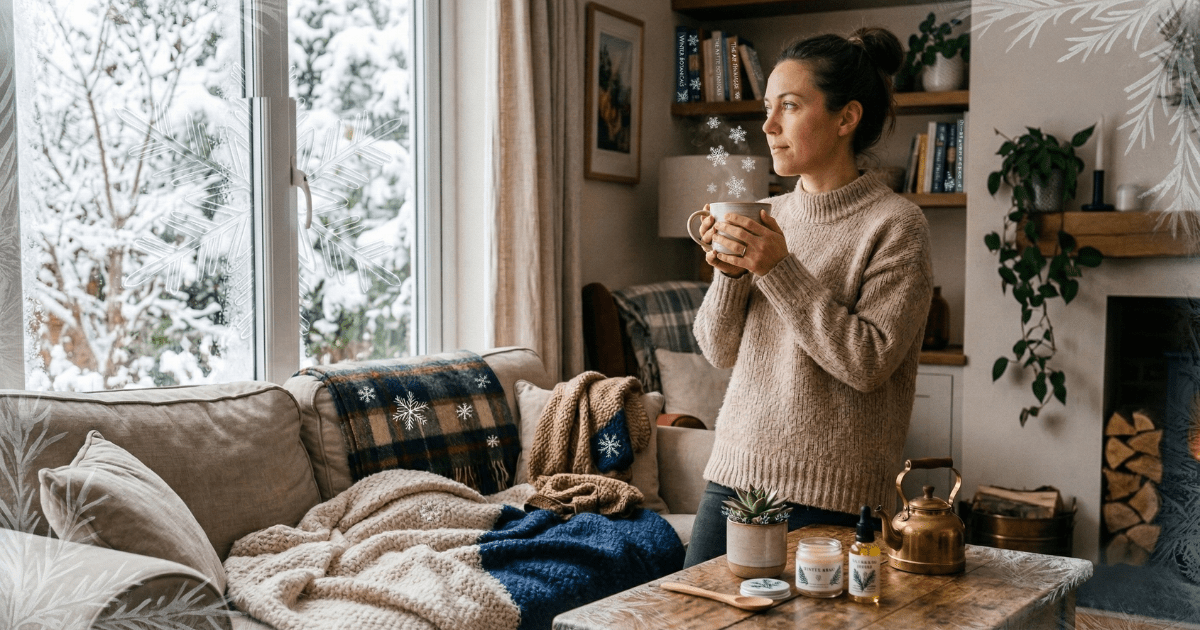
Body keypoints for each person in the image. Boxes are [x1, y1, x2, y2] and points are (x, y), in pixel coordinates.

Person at [683, 27, 934, 568]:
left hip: (834, 497)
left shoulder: (896, 225)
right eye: (768, 108)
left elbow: (867, 362)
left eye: (790, 107)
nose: (769, 126)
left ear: (847, 118)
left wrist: (777, 269)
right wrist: (730, 272)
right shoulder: (767, 216)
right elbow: (718, 349)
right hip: (732, 473)